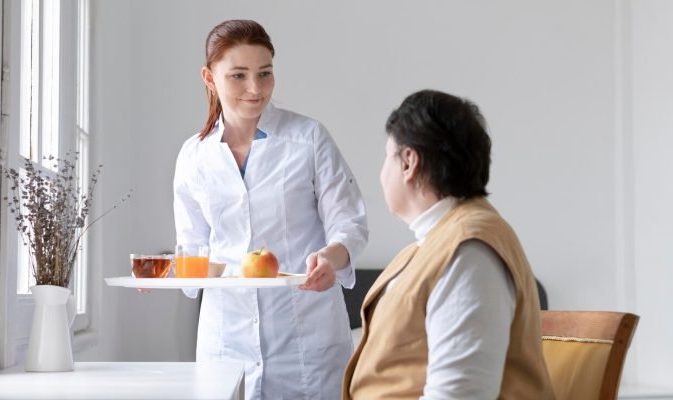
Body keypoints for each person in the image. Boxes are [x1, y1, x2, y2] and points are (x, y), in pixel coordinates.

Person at [173, 20, 368, 399]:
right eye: (239, 76)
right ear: (209, 78)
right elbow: (192, 247)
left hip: (305, 340)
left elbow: (350, 222)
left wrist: (332, 256)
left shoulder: (308, 139)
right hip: (226, 341)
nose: (255, 89)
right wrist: (164, 276)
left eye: (265, 74)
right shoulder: (193, 156)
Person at [342, 90, 554, 399]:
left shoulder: (469, 250)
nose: (381, 172)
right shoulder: (433, 245)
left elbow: (461, 393)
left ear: (408, 162)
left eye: (387, 156)